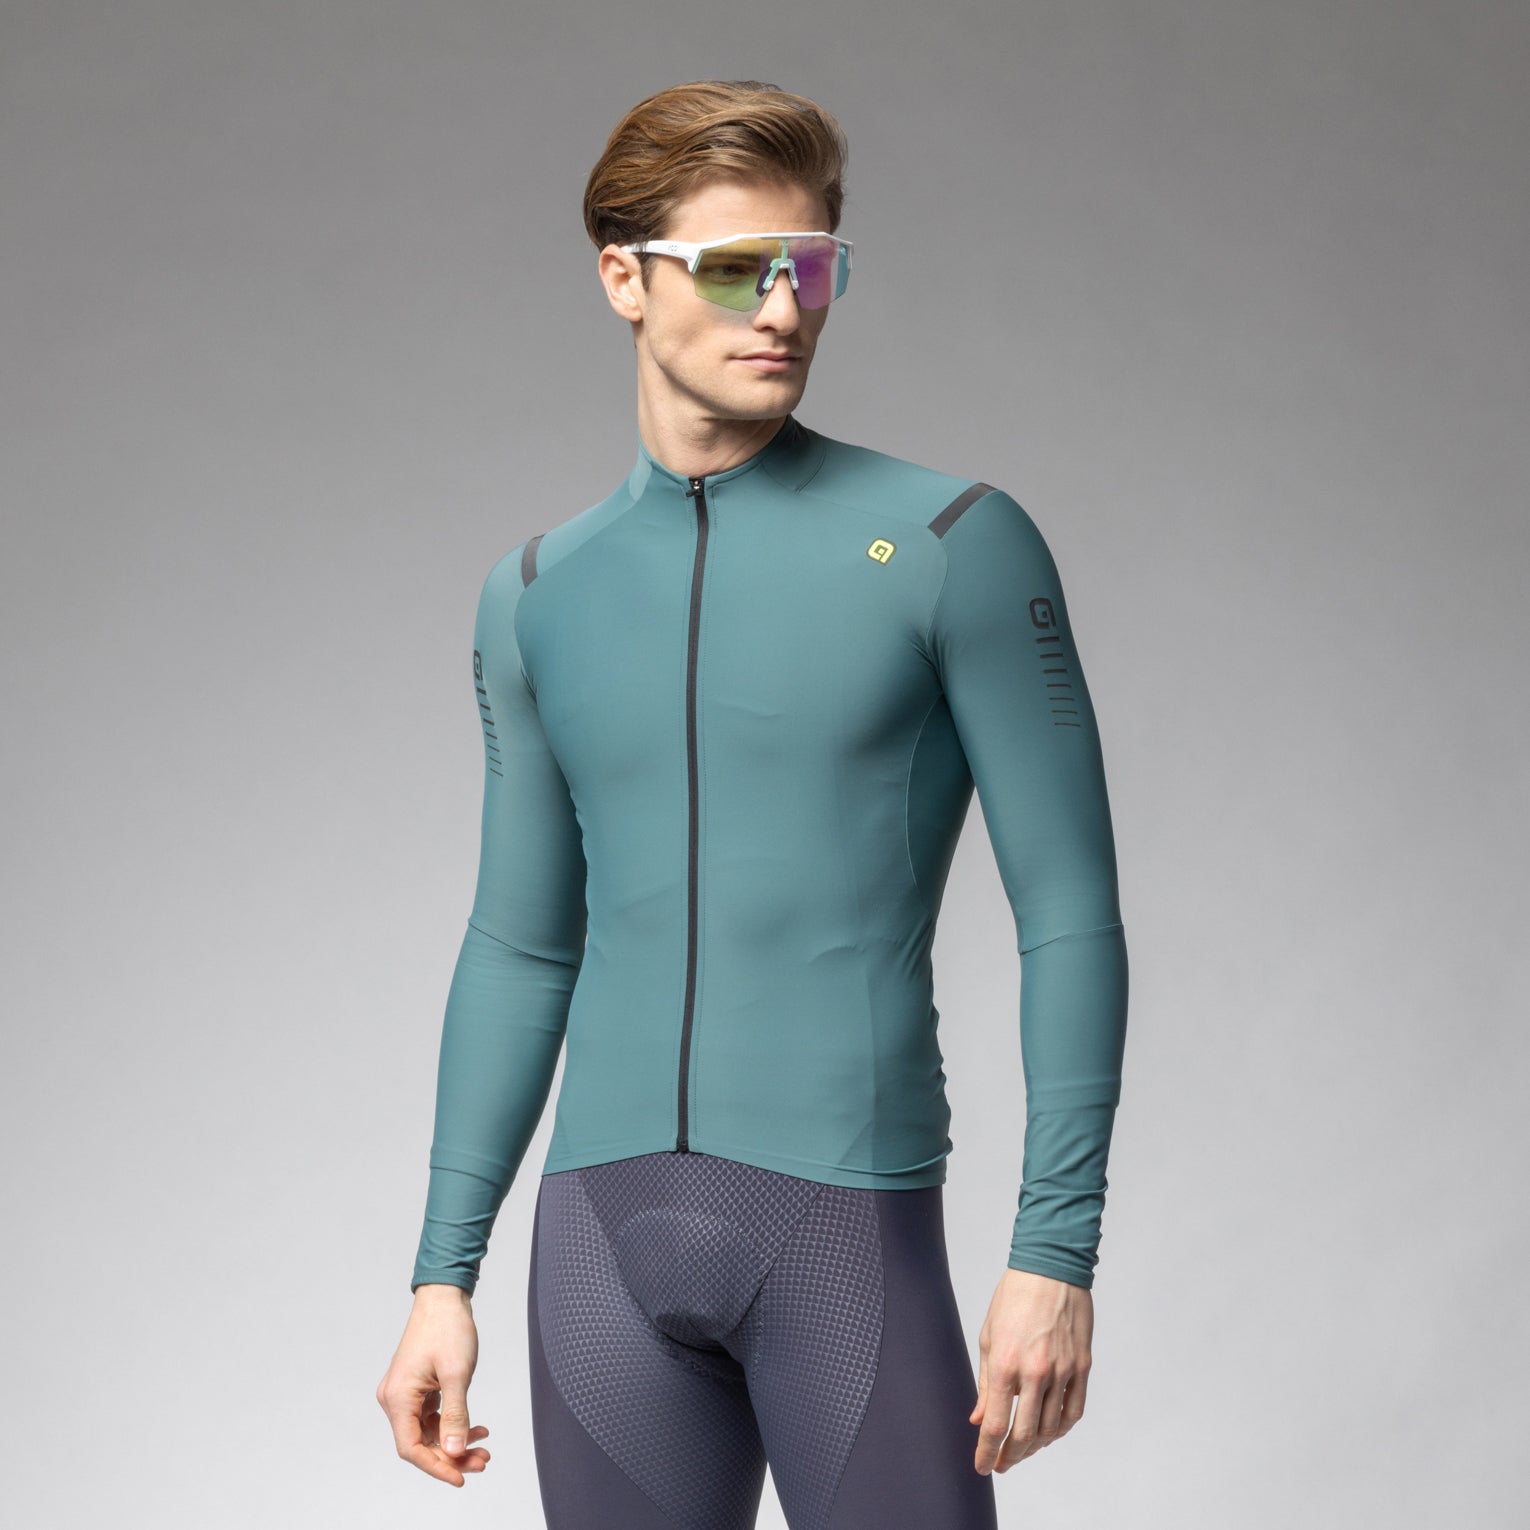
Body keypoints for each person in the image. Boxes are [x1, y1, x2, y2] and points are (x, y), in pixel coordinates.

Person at [377, 79, 1130, 1528]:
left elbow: (1070, 911)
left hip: (841, 1226)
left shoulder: (951, 544)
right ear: (623, 279)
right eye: (736, 268)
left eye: (812, 267)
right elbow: (519, 947)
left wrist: (1055, 1251)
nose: (783, 307)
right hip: (597, 1245)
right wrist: (439, 1275)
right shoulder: (534, 595)